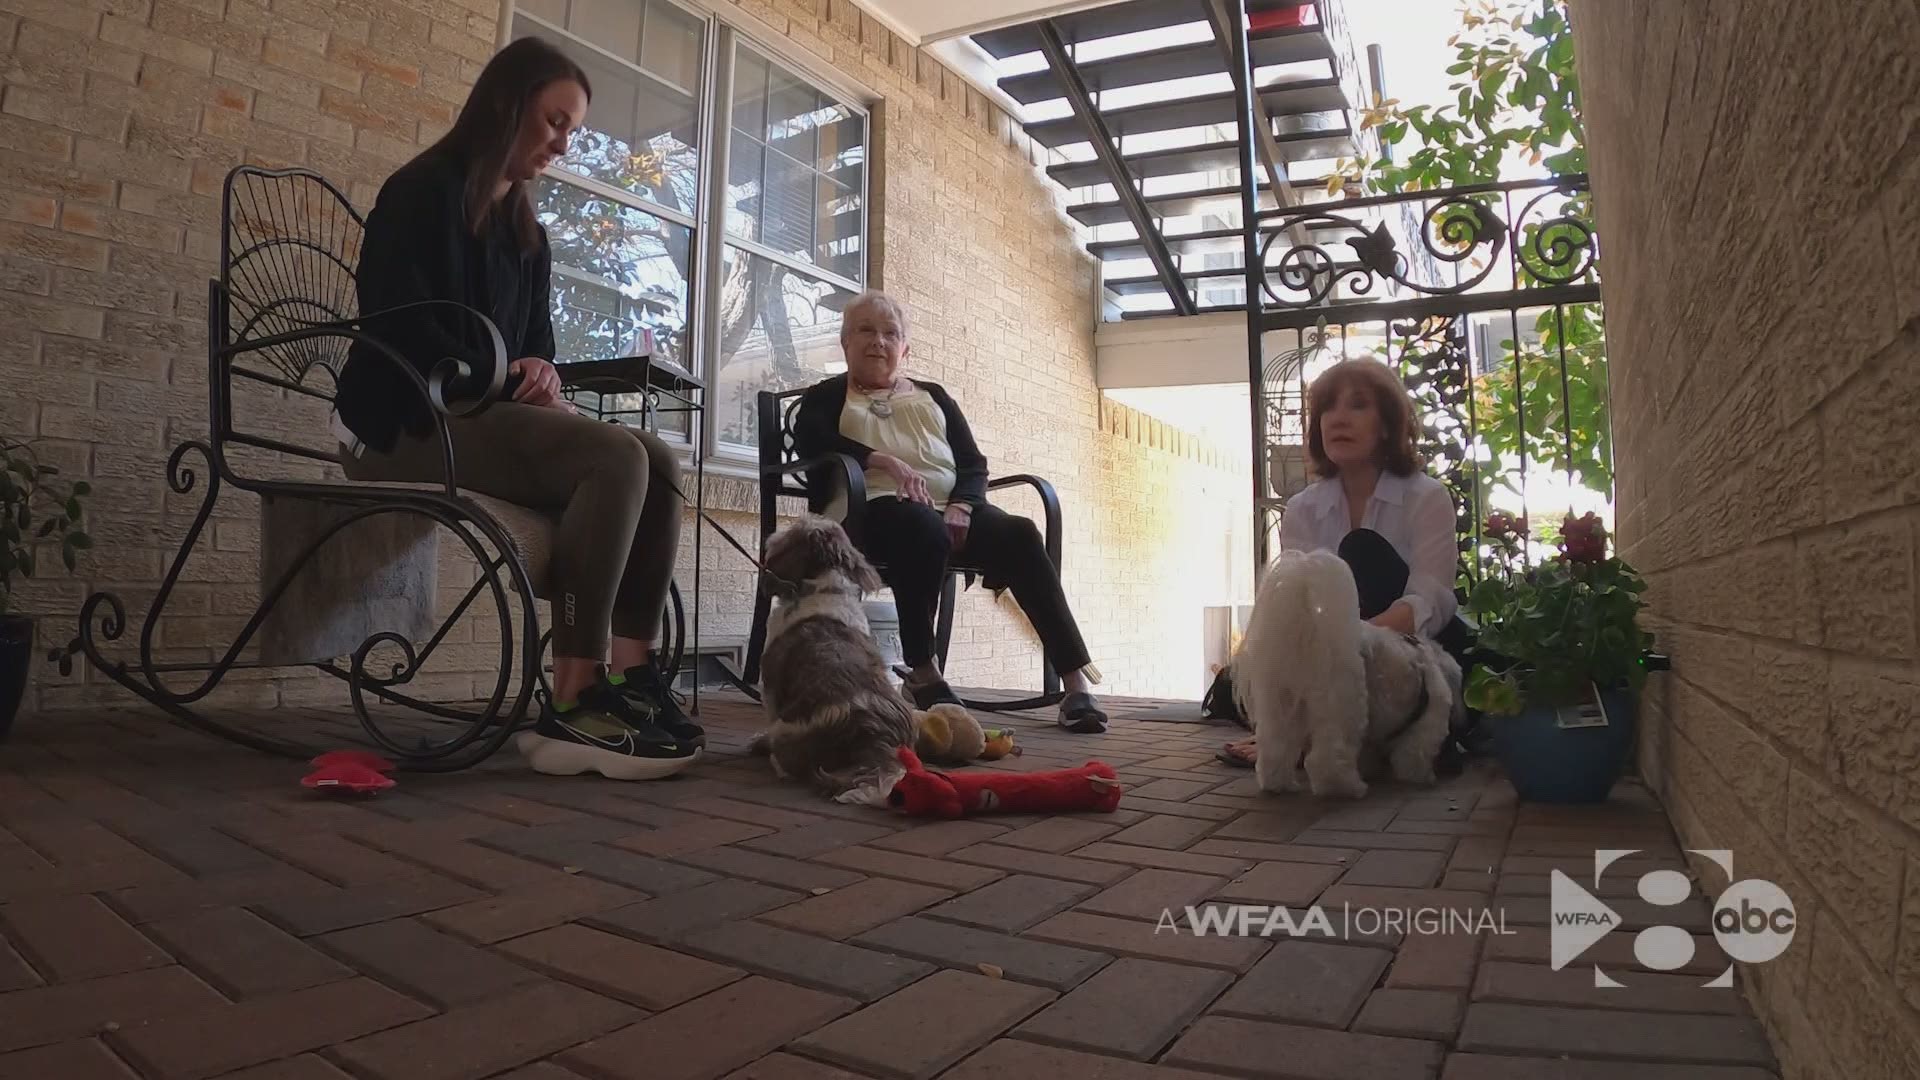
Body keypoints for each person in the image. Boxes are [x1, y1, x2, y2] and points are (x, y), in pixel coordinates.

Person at [331, 37, 701, 780]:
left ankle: (630, 675)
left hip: (474, 419)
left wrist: (541, 376)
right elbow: (396, 326)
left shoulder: (529, 237)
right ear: (508, 105)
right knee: (614, 452)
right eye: (556, 121)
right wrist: (506, 379)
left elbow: (540, 348)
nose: (563, 143)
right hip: (398, 423)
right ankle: (573, 696)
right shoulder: (419, 192)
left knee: (658, 459)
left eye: (573, 131)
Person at [790, 290, 1111, 733]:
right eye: (865, 330)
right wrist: (882, 460)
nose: (878, 342)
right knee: (921, 526)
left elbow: (973, 464)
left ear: (906, 348)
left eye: (890, 334)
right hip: (868, 512)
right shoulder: (826, 395)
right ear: (845, 342)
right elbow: (813, 443)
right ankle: (923, 672)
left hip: (947, 510)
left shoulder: (933, 395)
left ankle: (1075, 684)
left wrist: (961, 505)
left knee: (1019, 533)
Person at [1219, 357, 1479, 768]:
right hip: (1337, 657)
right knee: (1237, 680)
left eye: (1357, 405)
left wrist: (1350, 640)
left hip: (1414, 653)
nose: (1338, 418)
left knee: (1360, 551)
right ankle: (1309, 733)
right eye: (1328, 408)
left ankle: (1401, 724)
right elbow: (1299, 609)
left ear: (1388, 425)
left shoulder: (1425, 496)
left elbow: (1433, 597)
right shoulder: (1303, 508)